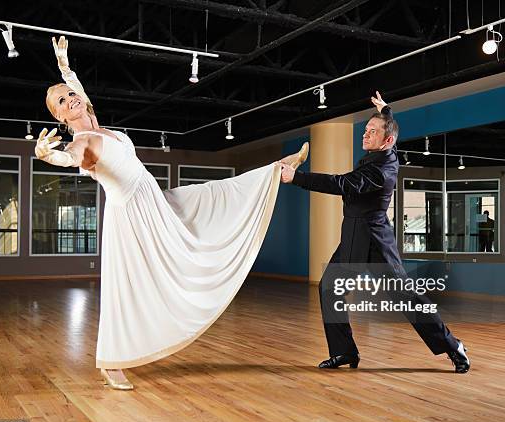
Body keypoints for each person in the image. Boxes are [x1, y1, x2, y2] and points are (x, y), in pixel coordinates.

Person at [36, 36, 308, 390]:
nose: (70, 99)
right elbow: (69, 156)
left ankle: (275, 170)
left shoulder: (102, 129)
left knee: (208, 196)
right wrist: (48, 155)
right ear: (58, 116)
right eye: (62, 101)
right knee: (128, 291)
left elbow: (82, 97)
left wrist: (65, 68)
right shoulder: (81, 142)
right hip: (132, 216)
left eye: (71, 95)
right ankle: (112, 361)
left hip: (154, 200)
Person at [279, 92, 470, 373]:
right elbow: (389, 131)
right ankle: (344, 353)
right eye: (365, 130)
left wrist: (297, 178)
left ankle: (453, 346)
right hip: (352, 235)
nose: (365, 135)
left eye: (372, 132)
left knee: (406, 299)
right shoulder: (382, 150)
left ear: (387, 141)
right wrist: (386, 111)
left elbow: (341, 183)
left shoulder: (383, 170)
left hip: (375, 241)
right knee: (329, 288)